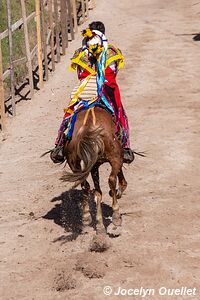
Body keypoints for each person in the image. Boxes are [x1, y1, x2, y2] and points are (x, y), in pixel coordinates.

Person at [50, 21, 134, 164]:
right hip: (106, 90)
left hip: (85, 91)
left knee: (70, 114)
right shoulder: (112, 52)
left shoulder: (80, 53)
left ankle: (60, 144)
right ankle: (125, 146)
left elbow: (80, 74)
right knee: (120, 113)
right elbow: (113, 73)